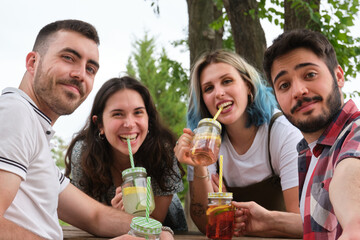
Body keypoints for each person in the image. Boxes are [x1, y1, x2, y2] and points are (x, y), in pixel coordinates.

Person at [0, 19, 173, 240]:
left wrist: (158, 232)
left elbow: (95, 216)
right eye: (68, 58)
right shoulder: (15, 113)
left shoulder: (35, 128)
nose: (80, 74)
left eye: (90, 69)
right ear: (33, 62)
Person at [233, 29, 360, 240]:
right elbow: (325, 223)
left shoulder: (354, 137)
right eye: (284, 85)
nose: (298, 90)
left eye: (310, 75)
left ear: (338, 76)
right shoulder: (310, 151)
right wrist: (271, 221)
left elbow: (354, 213)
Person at [174, 49, 303, 236]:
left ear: (248, 86)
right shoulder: (204, 143)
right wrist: (200, 165)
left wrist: (252, 219)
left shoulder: (282, 133)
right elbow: (206, 225)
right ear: (203, 100)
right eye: (208, 88)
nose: (218, 93)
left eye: (227, 81)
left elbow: (300, 220)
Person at [65, 76, 187, 232]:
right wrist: (114, 215)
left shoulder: (162, 151)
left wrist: (125, 216)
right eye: (118, 114)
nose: (129, 124)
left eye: (138, 112)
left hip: (169, 232)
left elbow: (156, 221)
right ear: (99, 124)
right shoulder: (83, 154)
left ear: (148, 118)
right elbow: (83, 214)